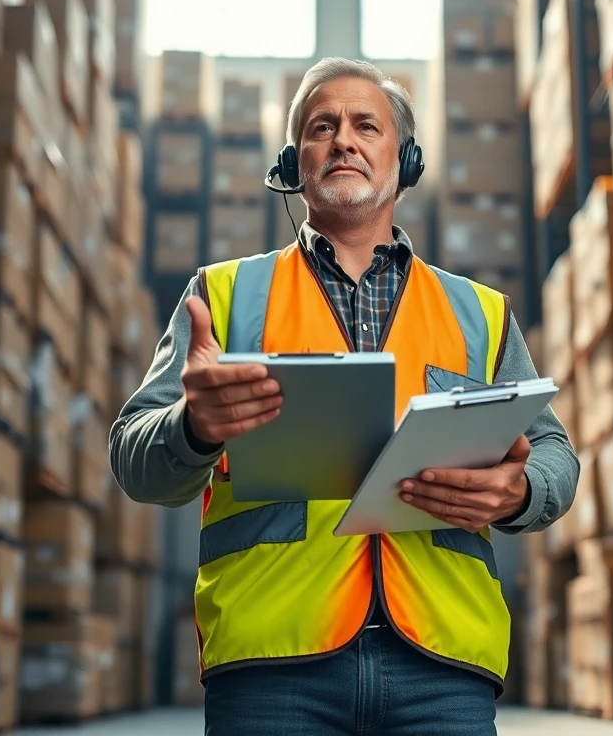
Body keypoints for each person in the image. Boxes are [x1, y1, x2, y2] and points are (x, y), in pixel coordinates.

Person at [110, 57, 579, 735]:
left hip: (441, 666)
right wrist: (193, 426)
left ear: (405, 160)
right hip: (274, 664)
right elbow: (134, 460)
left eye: (367, 125)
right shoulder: (222, 296)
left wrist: (522, 491)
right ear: (293, 162)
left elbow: (555, 451)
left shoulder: (479, 313)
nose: (343, 141)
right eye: (321, 127)